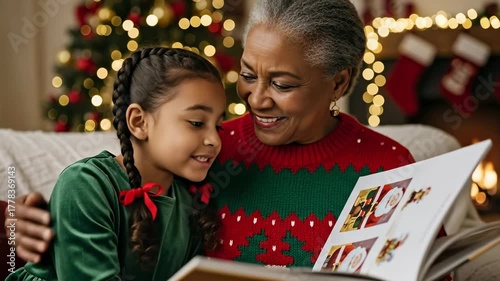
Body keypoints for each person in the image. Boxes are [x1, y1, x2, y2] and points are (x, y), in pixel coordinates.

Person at [10, 0, 417, 270]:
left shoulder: (390, 166)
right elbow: (115, 201)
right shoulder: (206, 153)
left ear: (339, 83)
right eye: (247, 75)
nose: (256, 99)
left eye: (283, 84)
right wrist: (17, 226)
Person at [6, 47, 226, 280]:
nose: (215, 140)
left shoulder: (189, 203)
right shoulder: (85, 186)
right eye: (196, 122)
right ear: (139, 122)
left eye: (219, 125)